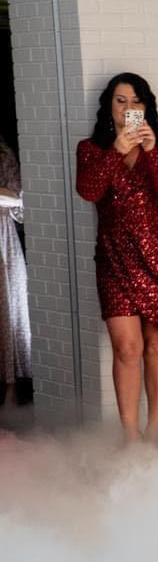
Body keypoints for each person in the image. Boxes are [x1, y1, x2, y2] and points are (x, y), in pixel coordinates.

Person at [76, 73, 158, 444]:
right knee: (127, 348)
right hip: (113, 259)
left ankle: (154, 430)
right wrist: (115, 150)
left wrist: (152, 150)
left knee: (156, 345)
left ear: (146, 107)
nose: (129, 108)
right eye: (121, 100)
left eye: (136, 101)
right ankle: (130, 435)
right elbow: (89, 191)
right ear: (109, 107)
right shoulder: (91, 149)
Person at [0, 136, 30, 406]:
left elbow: (21, 202)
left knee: (9, 312)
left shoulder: (3, 156)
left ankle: (11, 387)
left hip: (3, 239)